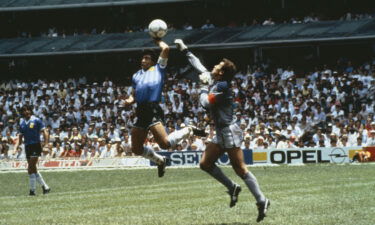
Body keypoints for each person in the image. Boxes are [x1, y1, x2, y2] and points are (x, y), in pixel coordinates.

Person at [175, 39, 270, 222]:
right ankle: (233, 188)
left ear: (222, 72)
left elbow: (204, 104)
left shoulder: (222, 87)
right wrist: (185, 49)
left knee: (241, 169)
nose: (213, 67)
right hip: (222, 132)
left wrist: (202, 87)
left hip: (229, 132)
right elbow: (199, 66)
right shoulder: (216, 79)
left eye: (217, 66)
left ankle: (262, 200)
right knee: (205, 164)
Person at [123, 38, 205, 177]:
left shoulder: (158, 68)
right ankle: (160, 161)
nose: (143, 60)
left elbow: (166, 49)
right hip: (141, 110)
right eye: (142, 58)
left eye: (147, 58)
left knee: (165, 144)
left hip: (153, 108)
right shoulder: (136, 75)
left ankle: (189, 129)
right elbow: (134, 94)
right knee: (136, 149)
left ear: (153, 61)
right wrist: (129, 101)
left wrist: (157, 40)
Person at [13, 105, 51, 196]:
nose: (26, 112)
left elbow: (45, 132)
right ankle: (45, 187)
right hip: (27, 147)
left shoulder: (36, 120)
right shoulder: (22, 123)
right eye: (24, 110)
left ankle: (32, 190)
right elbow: (20, 137)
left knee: (30, 167)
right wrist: (15, 148)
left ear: (30, 111)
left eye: (28, 110)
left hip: (36, 145)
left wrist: (46, 145)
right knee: (33, 168)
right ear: (22, 112)